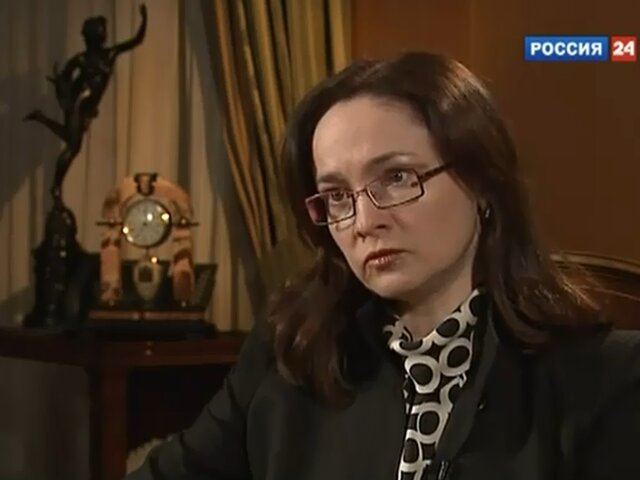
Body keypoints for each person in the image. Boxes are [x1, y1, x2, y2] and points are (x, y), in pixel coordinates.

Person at [125, 51, 640, 480]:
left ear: (482, 180)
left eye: (396, 178)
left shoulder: (605, 379)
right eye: (336, 195)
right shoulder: (291, 351)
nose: (365, 221)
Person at [25, 4, 147, 202]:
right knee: (73, 146)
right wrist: (61, 86)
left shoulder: (109, 54)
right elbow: (64, 78)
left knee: (71, 140)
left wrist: (144, 19)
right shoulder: (81, 59)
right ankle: (56, 187)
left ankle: (40, 118)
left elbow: (136, 40)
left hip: (88, 106)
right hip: (79, 102)